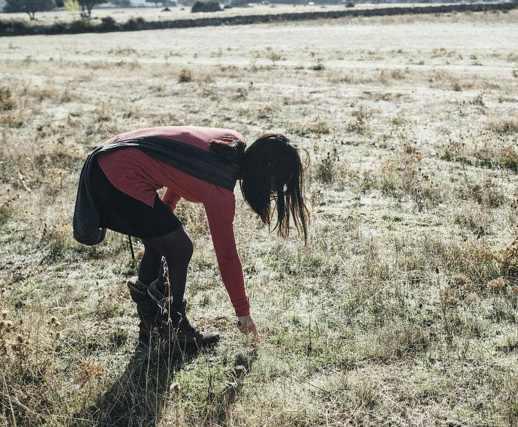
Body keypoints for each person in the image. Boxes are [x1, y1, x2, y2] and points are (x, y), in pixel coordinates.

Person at [73, 126, 309, 349]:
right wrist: (243, 313)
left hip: (110, 159)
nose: (273, 194)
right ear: (264, 174)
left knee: (164, 240)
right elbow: (227, 257)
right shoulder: (219, 189)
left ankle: (152, 330)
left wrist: (162, 216)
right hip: (113, 173)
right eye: (276, 186)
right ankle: (176, 328)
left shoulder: (228, 142)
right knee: (180, 247)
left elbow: (180, 167)